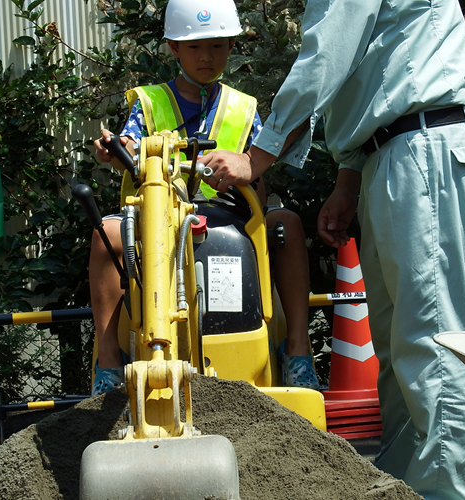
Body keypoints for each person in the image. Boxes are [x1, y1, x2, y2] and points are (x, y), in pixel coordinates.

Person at [199, 0, 465, 499]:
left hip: (420, 140)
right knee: (401, 348)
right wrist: (349, 178)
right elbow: (370, 66)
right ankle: (407, 488)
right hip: (396, 148)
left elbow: (327, 57)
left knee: (431, 342)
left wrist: (256, 158)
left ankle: (444, 493)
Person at [90, 0, 319, 396]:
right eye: (195, 47)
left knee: (287, 225)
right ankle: (109, 362)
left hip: (232, 218)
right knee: (106, 234)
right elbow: (127, 144)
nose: (206, 56)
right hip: (155, 219)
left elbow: (258, 176)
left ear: (231, 46)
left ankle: (297, 350)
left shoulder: (244, 109)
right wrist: (115, 149)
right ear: (174, 48)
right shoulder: (147, 103)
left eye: (216, 46)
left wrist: (249, 171)